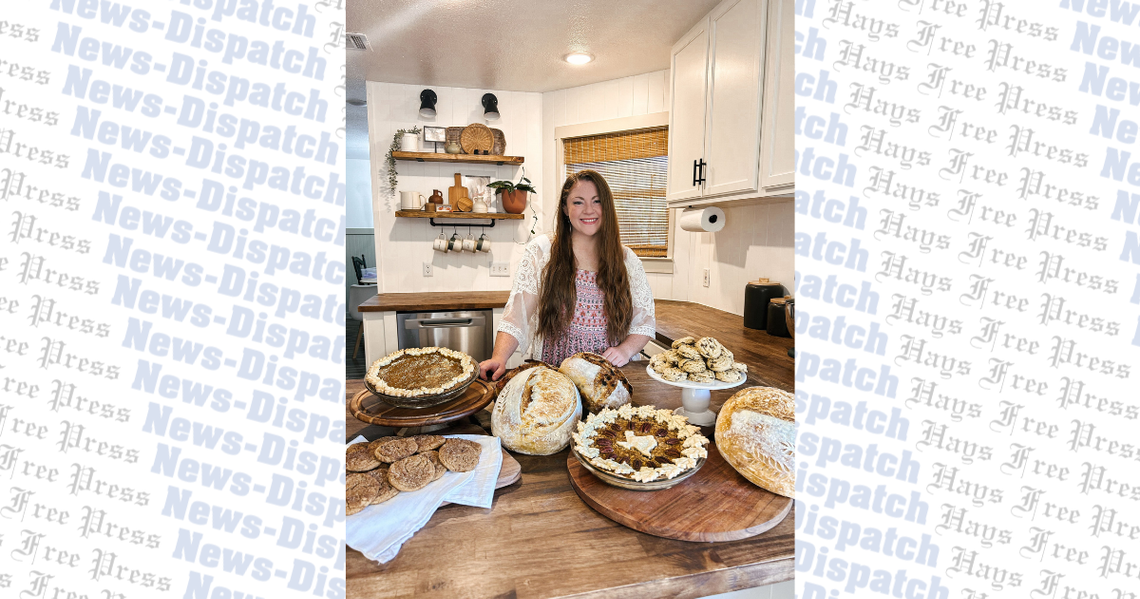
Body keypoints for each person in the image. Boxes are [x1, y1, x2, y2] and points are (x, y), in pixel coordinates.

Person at [478, 170, 656, 381]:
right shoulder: (542, 252)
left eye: (597, 201)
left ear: (607, 206)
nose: (589, 210)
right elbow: (517, 316)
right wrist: (499, 357)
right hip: (554, 375)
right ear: (565, 208)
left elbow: (644, 323)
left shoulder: (627, 260)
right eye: (578, 202)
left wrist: (625, 350)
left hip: (607, 378)